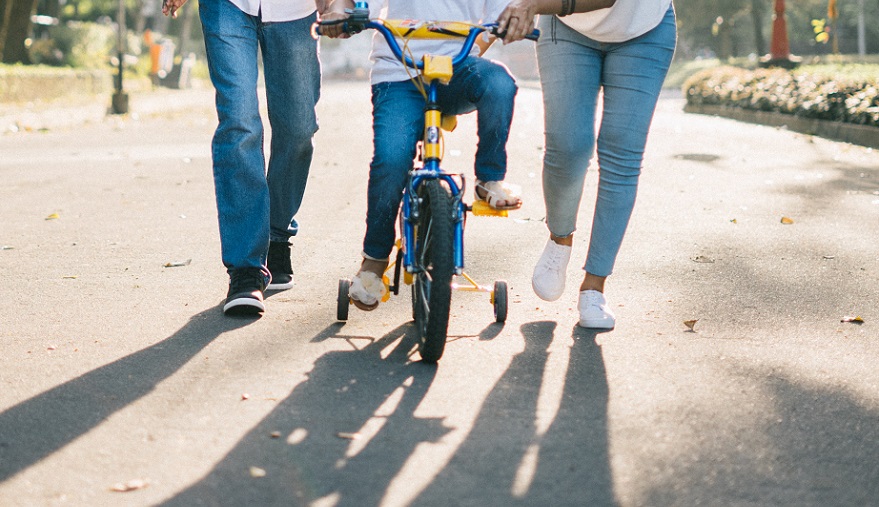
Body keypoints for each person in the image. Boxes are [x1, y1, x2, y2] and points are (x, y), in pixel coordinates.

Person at [322, 0, 524, 311]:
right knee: (391, 159)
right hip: (398, 71)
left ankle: (490, 178)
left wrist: (503, 28)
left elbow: (502, 12)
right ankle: (374, 260)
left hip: (457, 68)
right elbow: (353, 4)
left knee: (499, 83)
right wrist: (340, 13)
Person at [497, 0, 676, 329]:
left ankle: (594, 287)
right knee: (569, 145)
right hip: (566, 26)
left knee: (622, 151)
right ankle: (560, 237)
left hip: (644, 29)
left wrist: (531, 4)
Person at [163, 0, 325, 316]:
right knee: (239, 123)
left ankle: (276, 236)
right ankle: (245, 268)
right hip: (228, 6)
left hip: (296, 10)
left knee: (298, 130)